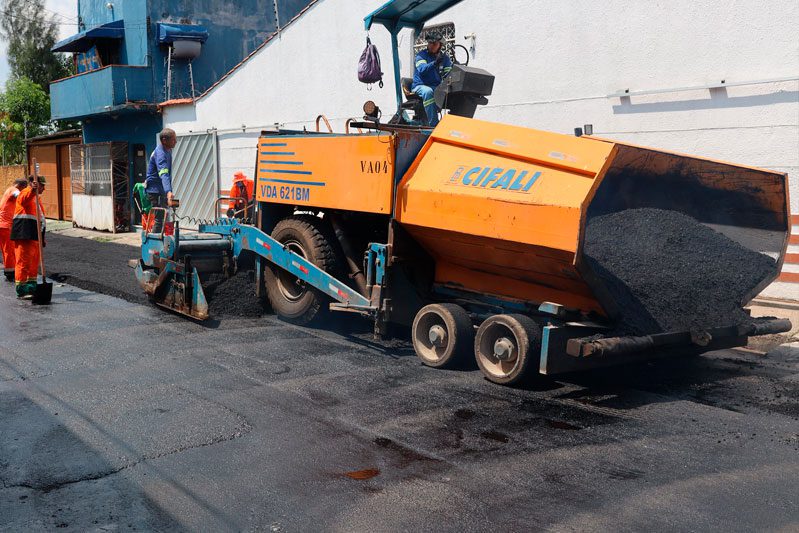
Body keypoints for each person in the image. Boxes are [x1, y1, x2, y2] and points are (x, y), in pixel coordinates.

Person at [11, 176, 45, 298]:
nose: (44, 188)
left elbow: (41, 219)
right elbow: (24, 199)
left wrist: (42, 236)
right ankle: (22, 289)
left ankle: (31, 286)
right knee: (23, 261)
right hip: (24, 233)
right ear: (34, 184)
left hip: (34, 235)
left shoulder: (37, 198)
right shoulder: (26, 192)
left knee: (33, 262)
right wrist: (32, 189)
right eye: (42, 185)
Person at [411, 32, 452, 127]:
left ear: (440, 45)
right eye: (430, 43)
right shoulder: (421, 55)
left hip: (436, 86)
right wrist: (435, 63)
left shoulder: (444, 58)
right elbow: (422, 69)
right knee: (428, 92)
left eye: (434, 44)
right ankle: (433, 124)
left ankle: (452, 123)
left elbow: (448, 74)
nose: (431, 46)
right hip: (420, 86)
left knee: (452, 92)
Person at [0, 178, 28, 281]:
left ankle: (9, 270)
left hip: (4, 226)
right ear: (21, 186)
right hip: (5, 226)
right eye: (24, 189)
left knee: (7, 250)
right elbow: (18, 195)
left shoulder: (9, 191)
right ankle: (10, 273)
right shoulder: (13, 190)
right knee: (9, 250)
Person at [145, 128, 177, 209]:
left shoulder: (168, 150)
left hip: (161, 189)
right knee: (159, 218)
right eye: (173, 140)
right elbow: (164, 174)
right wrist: (168, 191)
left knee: (165, 214)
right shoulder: (160, 154)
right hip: (155, 191)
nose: (176, 142)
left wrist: (168, 191)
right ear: (164, 140)